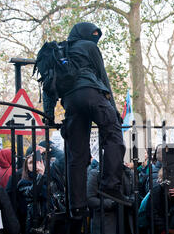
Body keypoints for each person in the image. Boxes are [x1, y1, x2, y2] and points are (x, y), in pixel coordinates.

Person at [43, 22, 125, 218]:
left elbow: (48, 87)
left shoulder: (58, 51)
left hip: (70, 101)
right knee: (113, 136)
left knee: (76, 154)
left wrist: (49, 115)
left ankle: (77, 205)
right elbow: (103, 78)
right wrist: (113, 110)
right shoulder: (89, 47)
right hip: (92, 94)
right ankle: (109, 185)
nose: (94, 39)